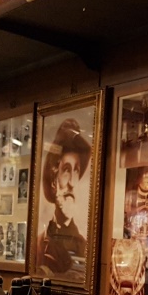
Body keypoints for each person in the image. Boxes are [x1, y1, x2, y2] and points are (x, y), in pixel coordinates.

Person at [37, 118, 91, 277]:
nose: (72, 182)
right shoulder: (39, 245)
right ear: (54, 180)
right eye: (67, 170)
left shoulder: (85, 246)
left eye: (76, 170)